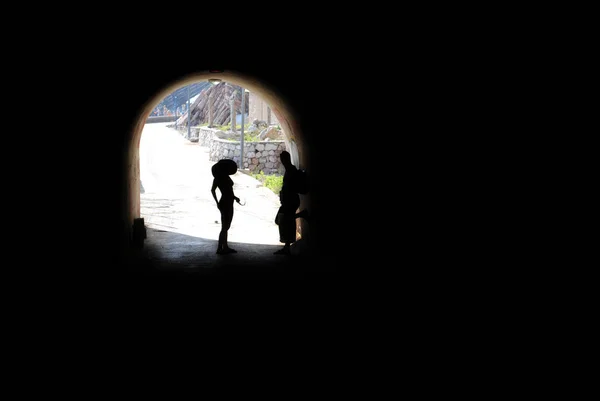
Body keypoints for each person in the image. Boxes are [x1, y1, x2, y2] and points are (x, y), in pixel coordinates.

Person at [274, 151, 309, 255]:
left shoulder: (291, 170)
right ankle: (286, 247)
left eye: (283, 159)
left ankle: (302, 214)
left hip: (291, 200)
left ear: (286, 159)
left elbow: (290, 187)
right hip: (288, 200)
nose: (282, 161)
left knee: (283, 220)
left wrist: (284, 195)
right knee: (285, 220)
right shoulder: (289, 169)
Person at [211, 159, 241, 254]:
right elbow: (213, 190)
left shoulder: (220, 177)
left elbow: (218, 190)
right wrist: (217, 202)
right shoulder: (221, 178)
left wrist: (234, 197)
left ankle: (225, 246)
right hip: (226, 202)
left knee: (226, 226)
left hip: (227, 201)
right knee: (225, 226)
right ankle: (220, 248)